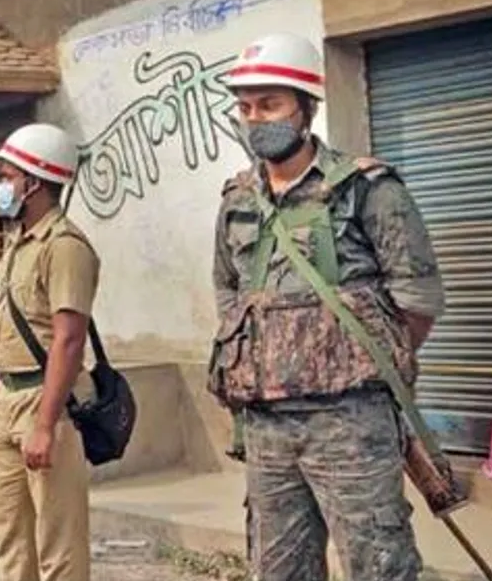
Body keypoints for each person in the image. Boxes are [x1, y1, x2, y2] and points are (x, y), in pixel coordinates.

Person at [209, 32, 446, 581]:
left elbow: (417, 301)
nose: (254, 118)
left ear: (305, 108)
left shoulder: (368, 188)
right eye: (244, 107)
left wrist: (361, 364)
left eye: (270, 104)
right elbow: (229, 294)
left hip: (351, 423)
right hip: (267, 427)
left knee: (378, 565)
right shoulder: (237, 200)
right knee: (278, 570)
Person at [0, 123, 99, 581]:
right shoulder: (19, 241)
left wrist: (44, 425)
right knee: (10, 533)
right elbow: (10, 321)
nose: (1, 186)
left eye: (7, 176)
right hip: (7, 403)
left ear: (34, 182)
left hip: (44, 405)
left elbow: (69, 340)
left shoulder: (65, 247)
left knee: (58, 544)